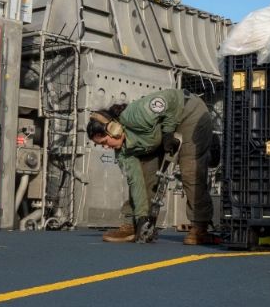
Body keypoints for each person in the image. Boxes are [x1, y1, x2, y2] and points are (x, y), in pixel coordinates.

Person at [88, 89, 214, 245]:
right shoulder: (123, 153)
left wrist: (168, 132)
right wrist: (141, 217)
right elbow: (136, 182)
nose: (106, 148)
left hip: (188, 113)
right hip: (157, 134)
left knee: (190, 170)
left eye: (104, 142)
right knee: (145, 171)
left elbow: (171, 99)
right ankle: (136, 225)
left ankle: (200, 227)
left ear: (114, 129)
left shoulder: (136, 114)